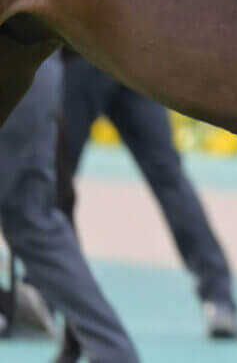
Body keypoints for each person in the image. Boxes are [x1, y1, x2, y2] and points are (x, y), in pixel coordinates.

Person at [53, 50, 237, 355]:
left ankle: (44, 297)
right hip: (129, 58)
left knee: (52, 190)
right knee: (170, 179)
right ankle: (219, 298)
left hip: (82, 58)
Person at [0, 54, 139, 363]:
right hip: (37, 74)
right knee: (33, 223)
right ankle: (113, 354)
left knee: (32, 222)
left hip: (15, 75)